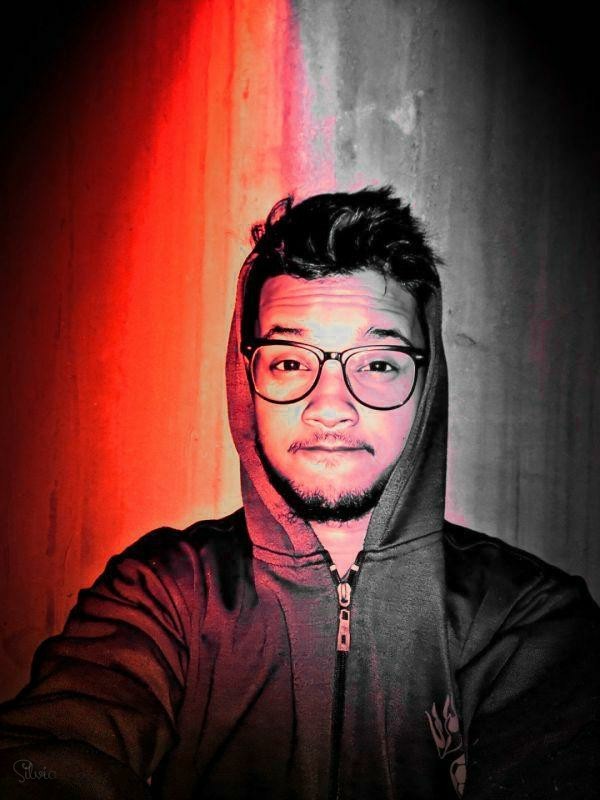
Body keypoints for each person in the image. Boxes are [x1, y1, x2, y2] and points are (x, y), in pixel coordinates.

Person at [0, 187, 598, 800]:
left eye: (378, 362)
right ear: (247, 380)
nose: (329, 406)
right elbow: (46, 758)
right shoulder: (163, 593)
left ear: (427, 386)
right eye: (289, 362)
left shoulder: (527, 619)